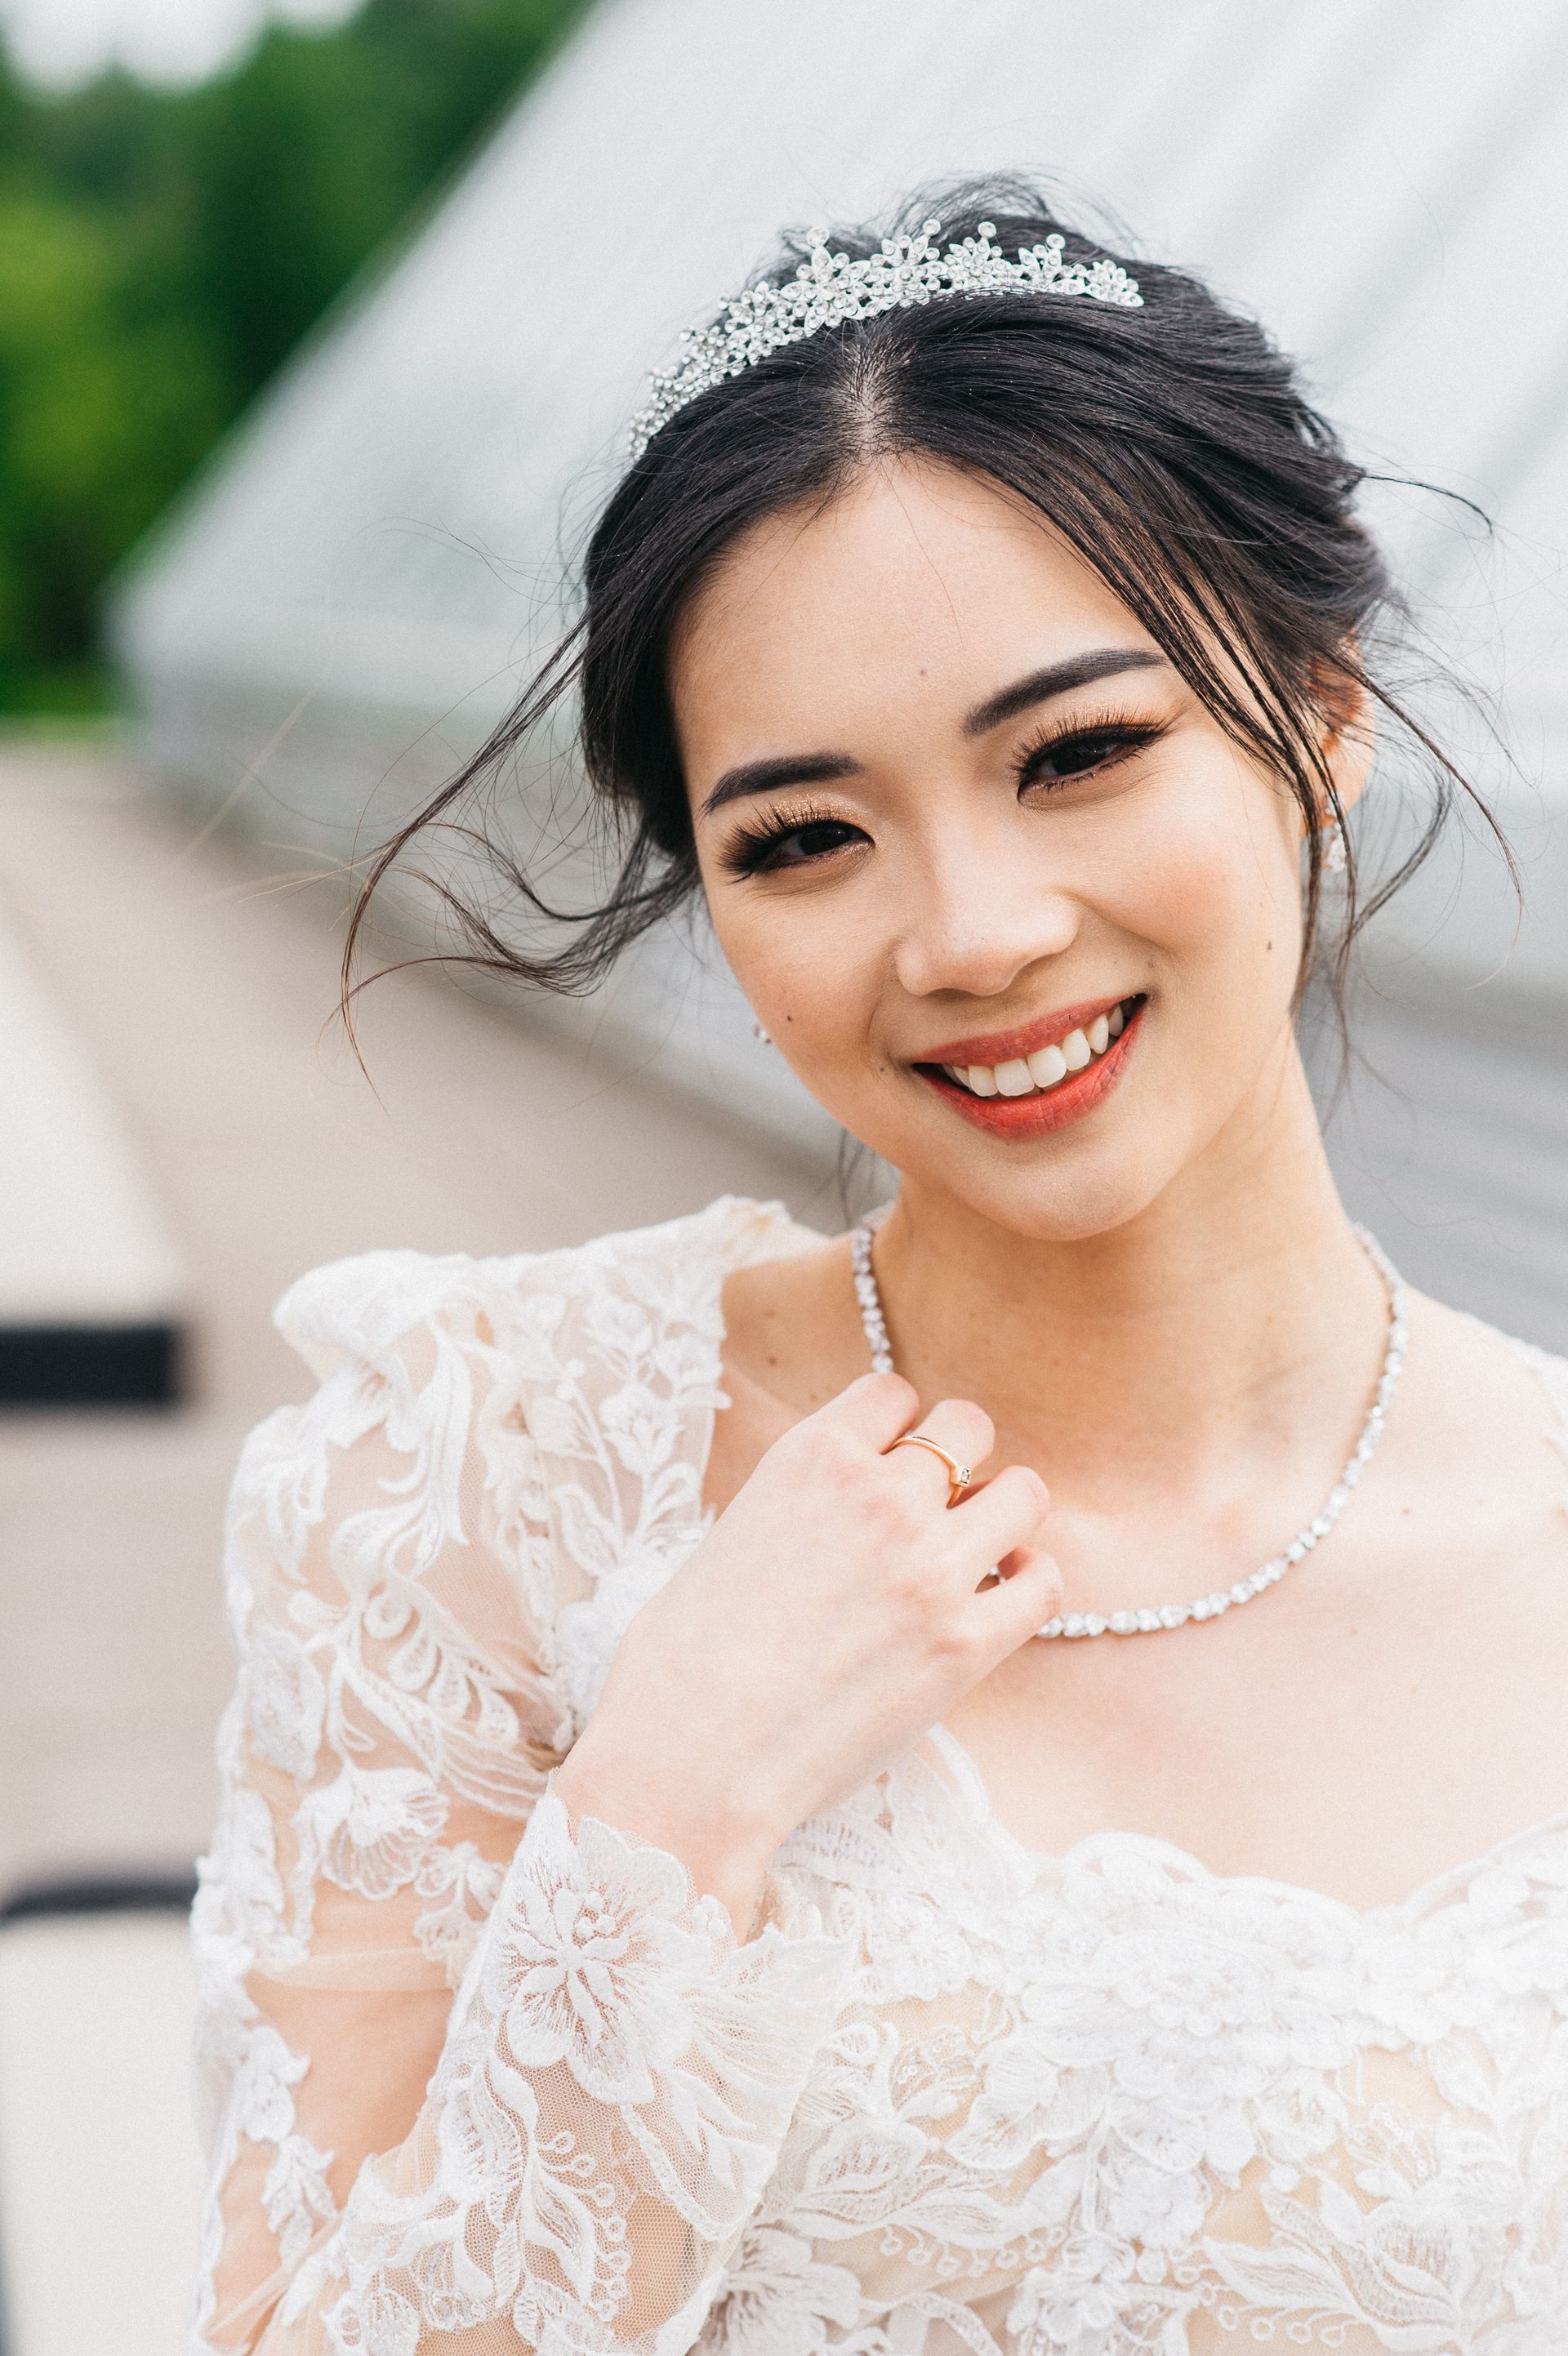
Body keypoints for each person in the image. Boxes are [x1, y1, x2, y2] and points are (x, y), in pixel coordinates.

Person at [190, 184, 1568, 2356]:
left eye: (1080, 753)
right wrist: (671, 1791)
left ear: (1322, 713)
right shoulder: (478, 1478)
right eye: (805, 836)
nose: (971, 934)